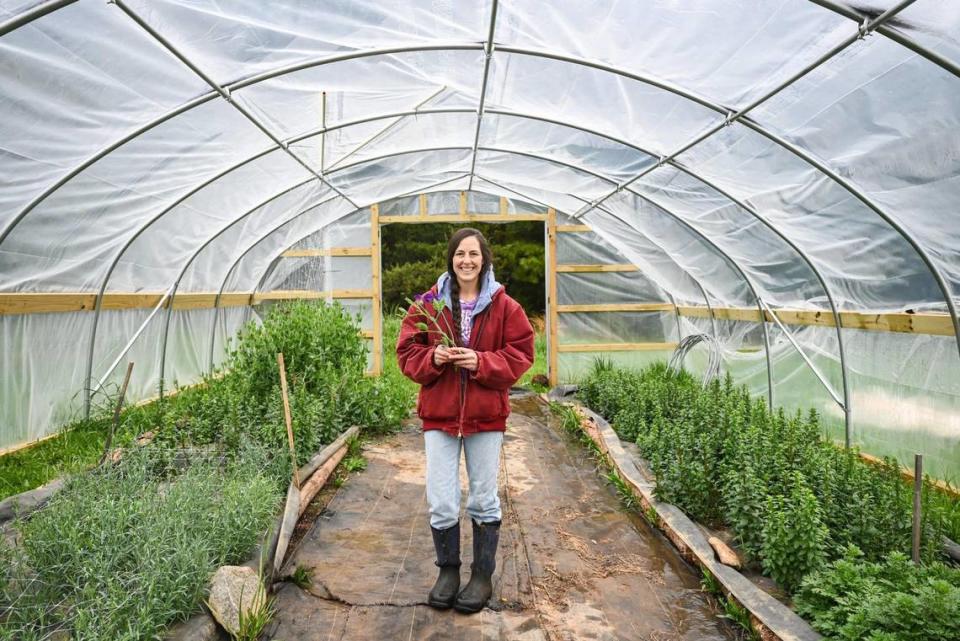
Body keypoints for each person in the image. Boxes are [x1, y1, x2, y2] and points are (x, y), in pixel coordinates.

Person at [396, 228, 535, 614]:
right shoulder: (427, 304)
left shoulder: (505, 306)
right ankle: (448, 571)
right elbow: (406, 352)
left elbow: (522, 355)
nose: (467, 261)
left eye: (473, 254)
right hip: (440, 415)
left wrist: (481, 362)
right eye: (460, 254)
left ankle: (482, 576)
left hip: (485, 417)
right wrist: (434, 358)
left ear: (484, 259)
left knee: (483, 497)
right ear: (451, 259)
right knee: (441, 498)